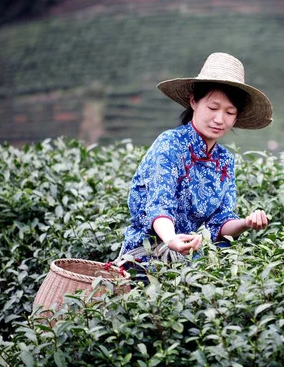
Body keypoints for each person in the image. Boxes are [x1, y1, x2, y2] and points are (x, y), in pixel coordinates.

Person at [116, 52, 273, 270]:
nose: (219, 119)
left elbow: (221, 222)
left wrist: (246, 223)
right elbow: (159, 205)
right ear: (193, 102)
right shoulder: (170, 144)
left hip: (194, 261)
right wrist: (171, 240)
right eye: (212, 108)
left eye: (229, 112)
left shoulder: (225, 161)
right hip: (148, 256)